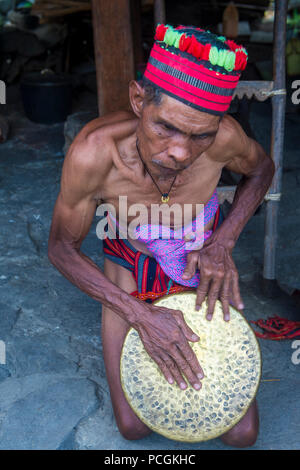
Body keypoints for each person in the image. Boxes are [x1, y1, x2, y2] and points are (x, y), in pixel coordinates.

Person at [48, 25, 274, 447]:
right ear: (138, 101)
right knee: (134, 427)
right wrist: (139, 314)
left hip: (197, 263)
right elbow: (61, 247)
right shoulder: (94, 153)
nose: (181, 152)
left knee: (242, 433)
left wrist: (222, 242)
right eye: (166, 127)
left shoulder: (226, 138)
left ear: (218, 125)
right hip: (129, 273)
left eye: (200, 135)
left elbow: (262, 169)